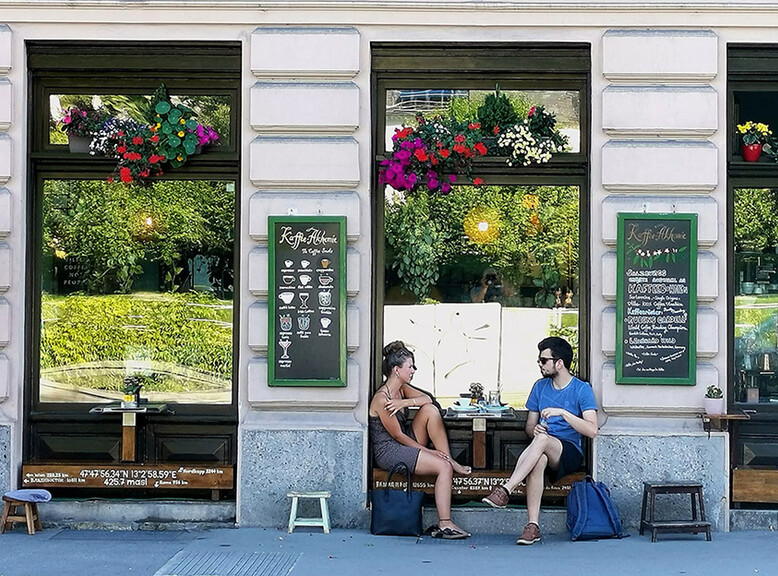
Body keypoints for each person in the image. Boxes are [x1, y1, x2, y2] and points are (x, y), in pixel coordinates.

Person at [481, 336, 598, 545]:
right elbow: (529, 427)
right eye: (539, 360)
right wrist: (534, 429)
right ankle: (532, 526)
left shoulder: (582, 389)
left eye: (544, 360)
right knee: (539, 459)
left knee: (543, 442)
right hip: (542, 448)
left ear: (559, 363)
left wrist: (563, 413)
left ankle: (506, 489)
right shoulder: (540, 387)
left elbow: (592, 430)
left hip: (569, 451)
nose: (540, 364)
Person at [369, 341, 472, 539]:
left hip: (404, 439)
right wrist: (430, 452)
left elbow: (428, 399)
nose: (414, 370)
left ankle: (449, 459)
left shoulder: (401, 389)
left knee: (430, 411)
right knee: (443, 467)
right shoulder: (382, 399)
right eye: (410, 366)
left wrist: (405, 402)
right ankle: (445, 524)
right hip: (390, 450)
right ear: (397, 370)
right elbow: (397, 436)